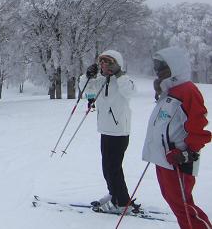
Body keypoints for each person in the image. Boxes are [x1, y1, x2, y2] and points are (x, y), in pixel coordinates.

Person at [142, 46, 211, 229]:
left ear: (175, 66)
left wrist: (188, 152)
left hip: (178, 159)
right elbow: (166, 122)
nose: (158, 71)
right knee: (175, 203)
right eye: (156, 67)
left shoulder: (187, 90)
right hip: (164, 158)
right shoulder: (169, 91)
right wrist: (161, 92)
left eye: (163, 67)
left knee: (183, 205)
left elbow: (198, 125)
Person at [81, 50, 137, 213]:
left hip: (119, 131)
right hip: (105, 129)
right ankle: (115, 194)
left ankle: (121, 202)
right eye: (102, 62)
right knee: (107, 167)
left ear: (116, 64)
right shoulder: (101, 80)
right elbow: (85, 88)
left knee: (113, 168)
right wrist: (87, 75)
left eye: (108, 62)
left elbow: (130, 92)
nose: (103, 65)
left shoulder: (123, 80)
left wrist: (119, 74)